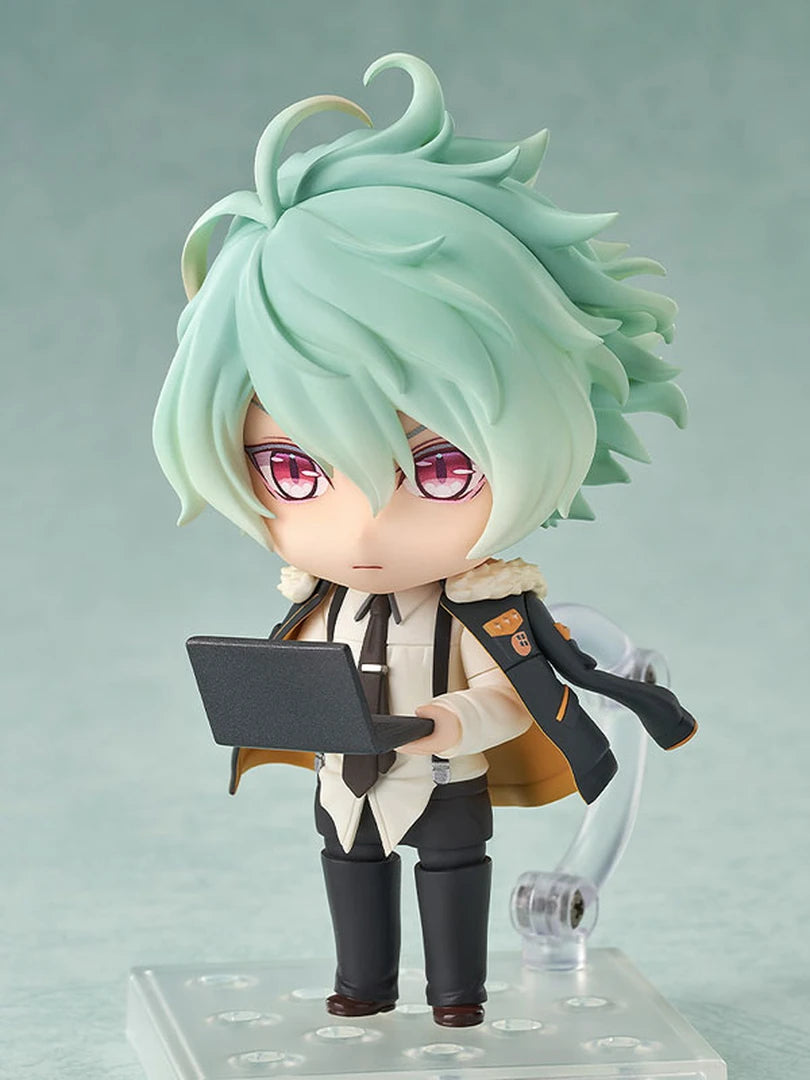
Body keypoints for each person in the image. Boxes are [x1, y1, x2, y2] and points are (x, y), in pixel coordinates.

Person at [153, 53, 694, 1027]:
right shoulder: (316, 599)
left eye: (441, 469)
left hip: (443, 777)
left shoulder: (484, 603)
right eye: (295, 472)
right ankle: (362, 986)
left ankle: (457, 996)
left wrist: (450, 722)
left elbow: (509, 695)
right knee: (349, 869)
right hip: (344, 781)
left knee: (450, 877)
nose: (365, 526)